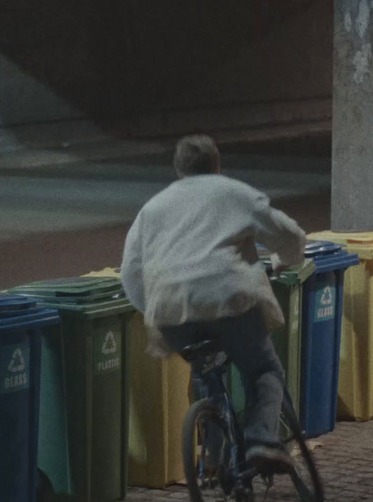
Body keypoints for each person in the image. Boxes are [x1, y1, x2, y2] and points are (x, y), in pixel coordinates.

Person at [120, 134, 308, 467]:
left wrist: (154, 310)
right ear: (216, 164)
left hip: (172, 310)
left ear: (179, 169)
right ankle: (262, 440)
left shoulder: (152, 208)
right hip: (228, 302)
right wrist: (286, 260)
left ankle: (217, 460)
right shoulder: (236, 193)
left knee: (205, 371)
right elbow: (290, 234)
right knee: (264, 370)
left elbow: (131, 272)